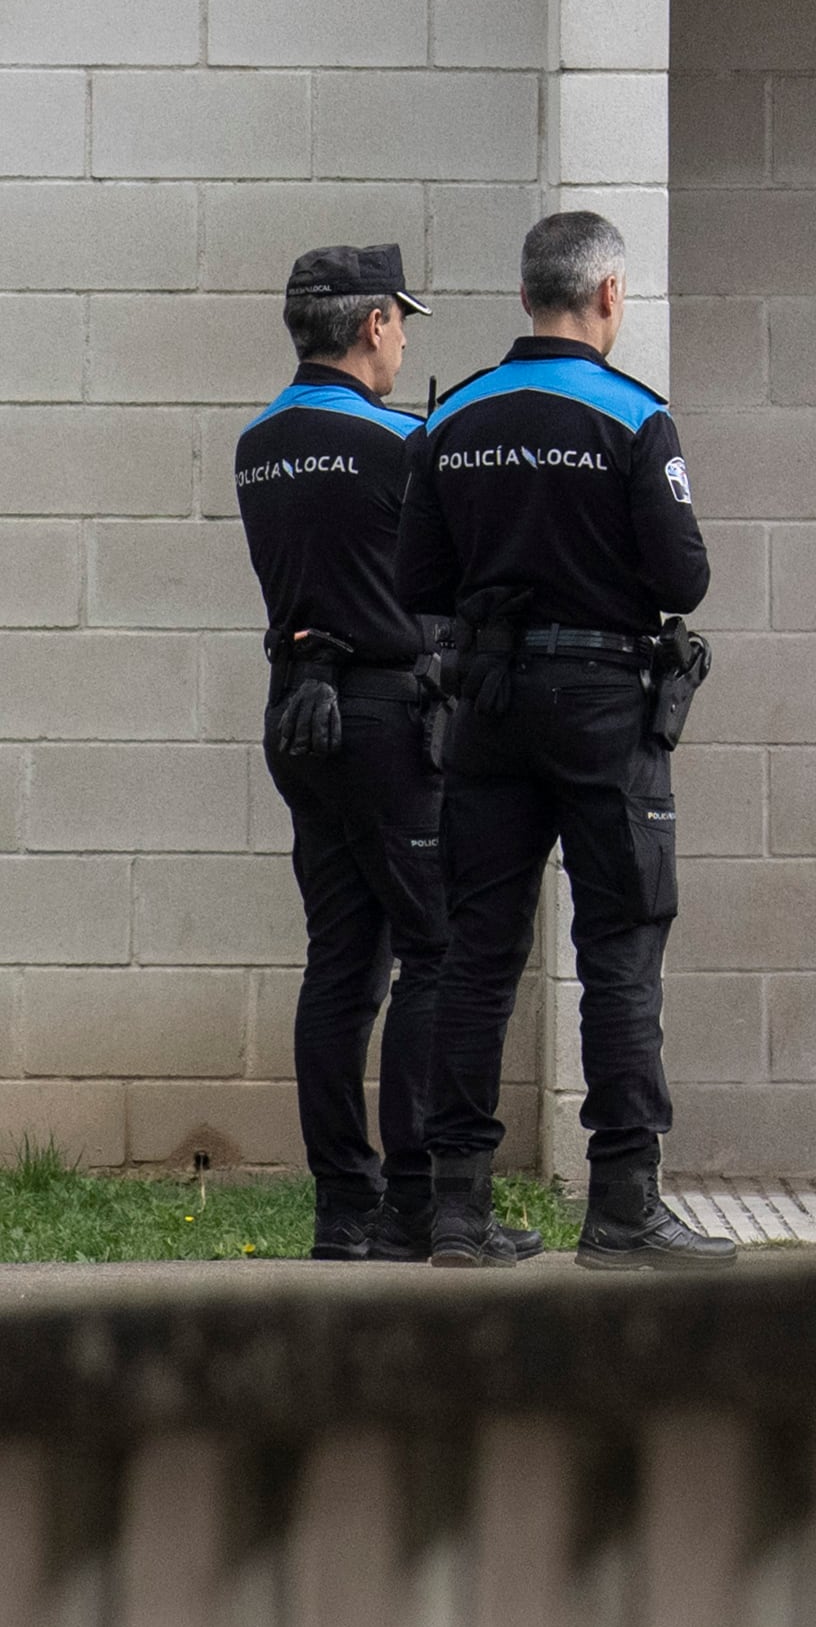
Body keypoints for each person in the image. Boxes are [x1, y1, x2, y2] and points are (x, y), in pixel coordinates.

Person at [399, 211, 735, 1269]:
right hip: (603, 705)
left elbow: (418, 583)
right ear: (607, 298)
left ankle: (456, 1210)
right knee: (621, 950)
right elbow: (683, 580)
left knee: (475, 957)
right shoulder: (635, 417)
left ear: (524, 296)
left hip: (489, 706)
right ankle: (623, 1206)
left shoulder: (453, 415)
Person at [235, 242, 445, 1262]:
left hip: (296, 713)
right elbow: (442, 585)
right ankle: (419, 1201)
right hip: (384, 719)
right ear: (373, 326)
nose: (404, 340)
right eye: (401, 321)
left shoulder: (257, 442)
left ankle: (341, 1209)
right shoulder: (402, 442)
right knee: (440, 951)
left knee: (340, 964)